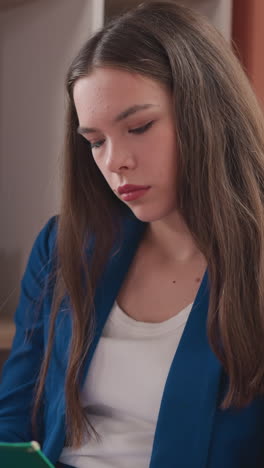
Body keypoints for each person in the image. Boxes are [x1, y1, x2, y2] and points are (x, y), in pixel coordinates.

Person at [1, 1, 264, 467]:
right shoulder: (64, 247)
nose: (113, 161)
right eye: (96, 141)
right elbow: (14, 418)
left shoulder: (255, 261)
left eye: (139, 127)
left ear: (207, 112)